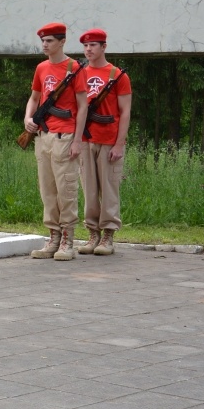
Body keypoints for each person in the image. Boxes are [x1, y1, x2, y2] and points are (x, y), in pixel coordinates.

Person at [23, 22, 88, 261]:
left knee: (66, 189)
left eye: (49, 40)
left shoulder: (75, 68)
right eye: (43, 41)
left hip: (66, 136)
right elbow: (34, 98)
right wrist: (28, 118)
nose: (45, 44)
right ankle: (53, 238)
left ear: (62, 42)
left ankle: (68, 241)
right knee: (47, 190)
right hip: (44, 136)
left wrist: (78, 139)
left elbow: (83, 106)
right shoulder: (41, 67)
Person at [76, 28, 132, 256]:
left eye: (93, 45)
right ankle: (92, 233)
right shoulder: (79, 74)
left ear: (104, 47)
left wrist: (119, 144)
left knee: (109, 188)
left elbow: (125, 112)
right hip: (84, 139)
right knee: (89, 188)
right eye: (86, 46)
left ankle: (108, 234)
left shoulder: (117, 75)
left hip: (109, 139)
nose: (88, 49)